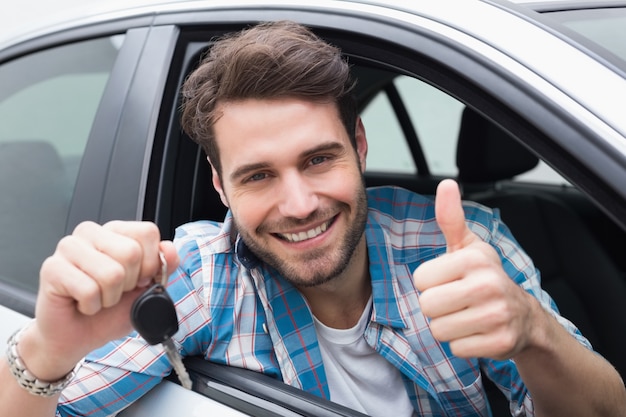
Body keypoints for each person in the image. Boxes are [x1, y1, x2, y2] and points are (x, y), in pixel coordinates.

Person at [1, 20, 625, 417]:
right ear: (220, 186)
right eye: (258, 175)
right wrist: (47, 349)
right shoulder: (194, 280)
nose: (299, 204)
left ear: (359, 145)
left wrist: (535, 333)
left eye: (318, 159)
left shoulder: (463, 243)